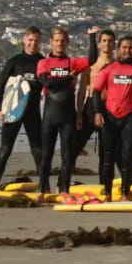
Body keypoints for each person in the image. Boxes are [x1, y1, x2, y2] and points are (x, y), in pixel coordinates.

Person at [93, 36, 132, 200]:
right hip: (110, 117)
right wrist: (98, 112)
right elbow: (96, 91)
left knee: (128, 156)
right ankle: (107, 194)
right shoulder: (108, 69)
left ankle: (125, 193)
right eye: (124, 47)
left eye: (131, 48)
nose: (127, 51)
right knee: (108, 157)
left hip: (130, 117)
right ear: (118, 49)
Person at [36, 27, 91, 196]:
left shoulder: (72, 63)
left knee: (68, 156)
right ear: (51, 42)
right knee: (46, 155)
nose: (60, 43)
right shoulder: (43, 63)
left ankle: (64, 190)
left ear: (67, 42)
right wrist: (68, 78)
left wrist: (93, 36)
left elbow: (93, 59)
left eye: (63, 40)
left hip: (68, 115)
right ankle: (42, 189)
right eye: (56, 40)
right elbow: (48, 84)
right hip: (50, 114)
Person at [0, 26, 43, 190]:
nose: (32, 43)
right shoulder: (14, 61)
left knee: (37, 150)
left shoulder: (42, 62)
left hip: (33, 111)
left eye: (36, 40)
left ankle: (44, 187)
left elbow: (49, 85)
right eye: (30, 40)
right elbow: (0, 85)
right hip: (13, 110)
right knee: (5, 150)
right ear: (24, 40)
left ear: (39, 42)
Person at [74, 28, 114, 175]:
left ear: (114, 44)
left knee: (106, 152)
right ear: (99, 44)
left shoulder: (117, 66)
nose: (107, 44)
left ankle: (104, 187)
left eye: (110, 41)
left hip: (109, 108)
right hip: (90, 107)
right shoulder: (90, 67)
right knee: (76, 146)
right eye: (104, 41)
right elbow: (82, 91)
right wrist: (78, 113)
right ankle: (62, 185)